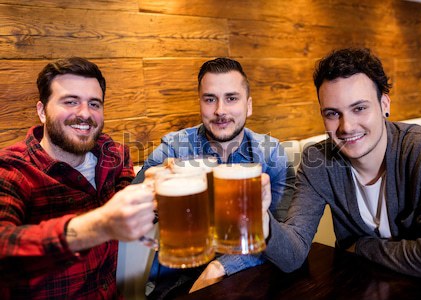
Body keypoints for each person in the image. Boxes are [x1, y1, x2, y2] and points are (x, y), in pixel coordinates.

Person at [263, 48, 421, 287]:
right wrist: (262, 222)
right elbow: (292, 256)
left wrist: (363, 246)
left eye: (359, 108)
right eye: (332, 114)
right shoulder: (317, 160)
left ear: (384, 104)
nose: (347, 127)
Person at [133, 57, 295, 297]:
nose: (220, 110)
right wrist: (151, 201)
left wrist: (221, 267)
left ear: (248, 105)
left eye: (231, 98)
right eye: (210, 99)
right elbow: (129, 215)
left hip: (253, 276)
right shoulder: (174, 149)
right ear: (200, 104)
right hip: (178, 282)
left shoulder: (271, 154)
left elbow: (284, 241)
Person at [0, 57, 156, 299]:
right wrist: (97, 226)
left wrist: (152, 193)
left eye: (94, 104)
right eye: (70, 102)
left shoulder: (113, 154)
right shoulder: (12, 169)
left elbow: (130, 209)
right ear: (42, 111)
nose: (85, 114)